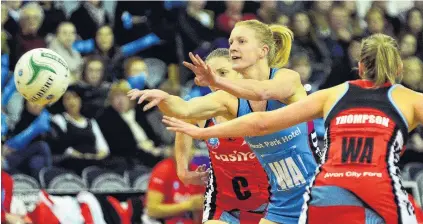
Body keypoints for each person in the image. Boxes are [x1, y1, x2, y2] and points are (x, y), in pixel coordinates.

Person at [162, 34, 423, 224]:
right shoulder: (411, 99)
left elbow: (261, 123)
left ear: (361, 67)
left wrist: (201, 133)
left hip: (323, 190)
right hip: (374, 189)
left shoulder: (331, 94)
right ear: (399, 68)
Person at [129, 20, 321, 224]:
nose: (233, 47)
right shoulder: (223, 100)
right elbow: (184, 111)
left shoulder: (286, 78)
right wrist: (165, 99)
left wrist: (215, 82)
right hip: (256, 202)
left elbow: (262, 99)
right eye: (231, 42)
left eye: (241, 41)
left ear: (262, 51)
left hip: (311, 188)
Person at [176, 48, 270, 224]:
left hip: (270, 202)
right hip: (224, 203)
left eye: (223, 73)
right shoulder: (204, 110)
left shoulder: (260, 105)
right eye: (210, 74)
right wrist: (182, 171)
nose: (215, 79)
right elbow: (182, 121)